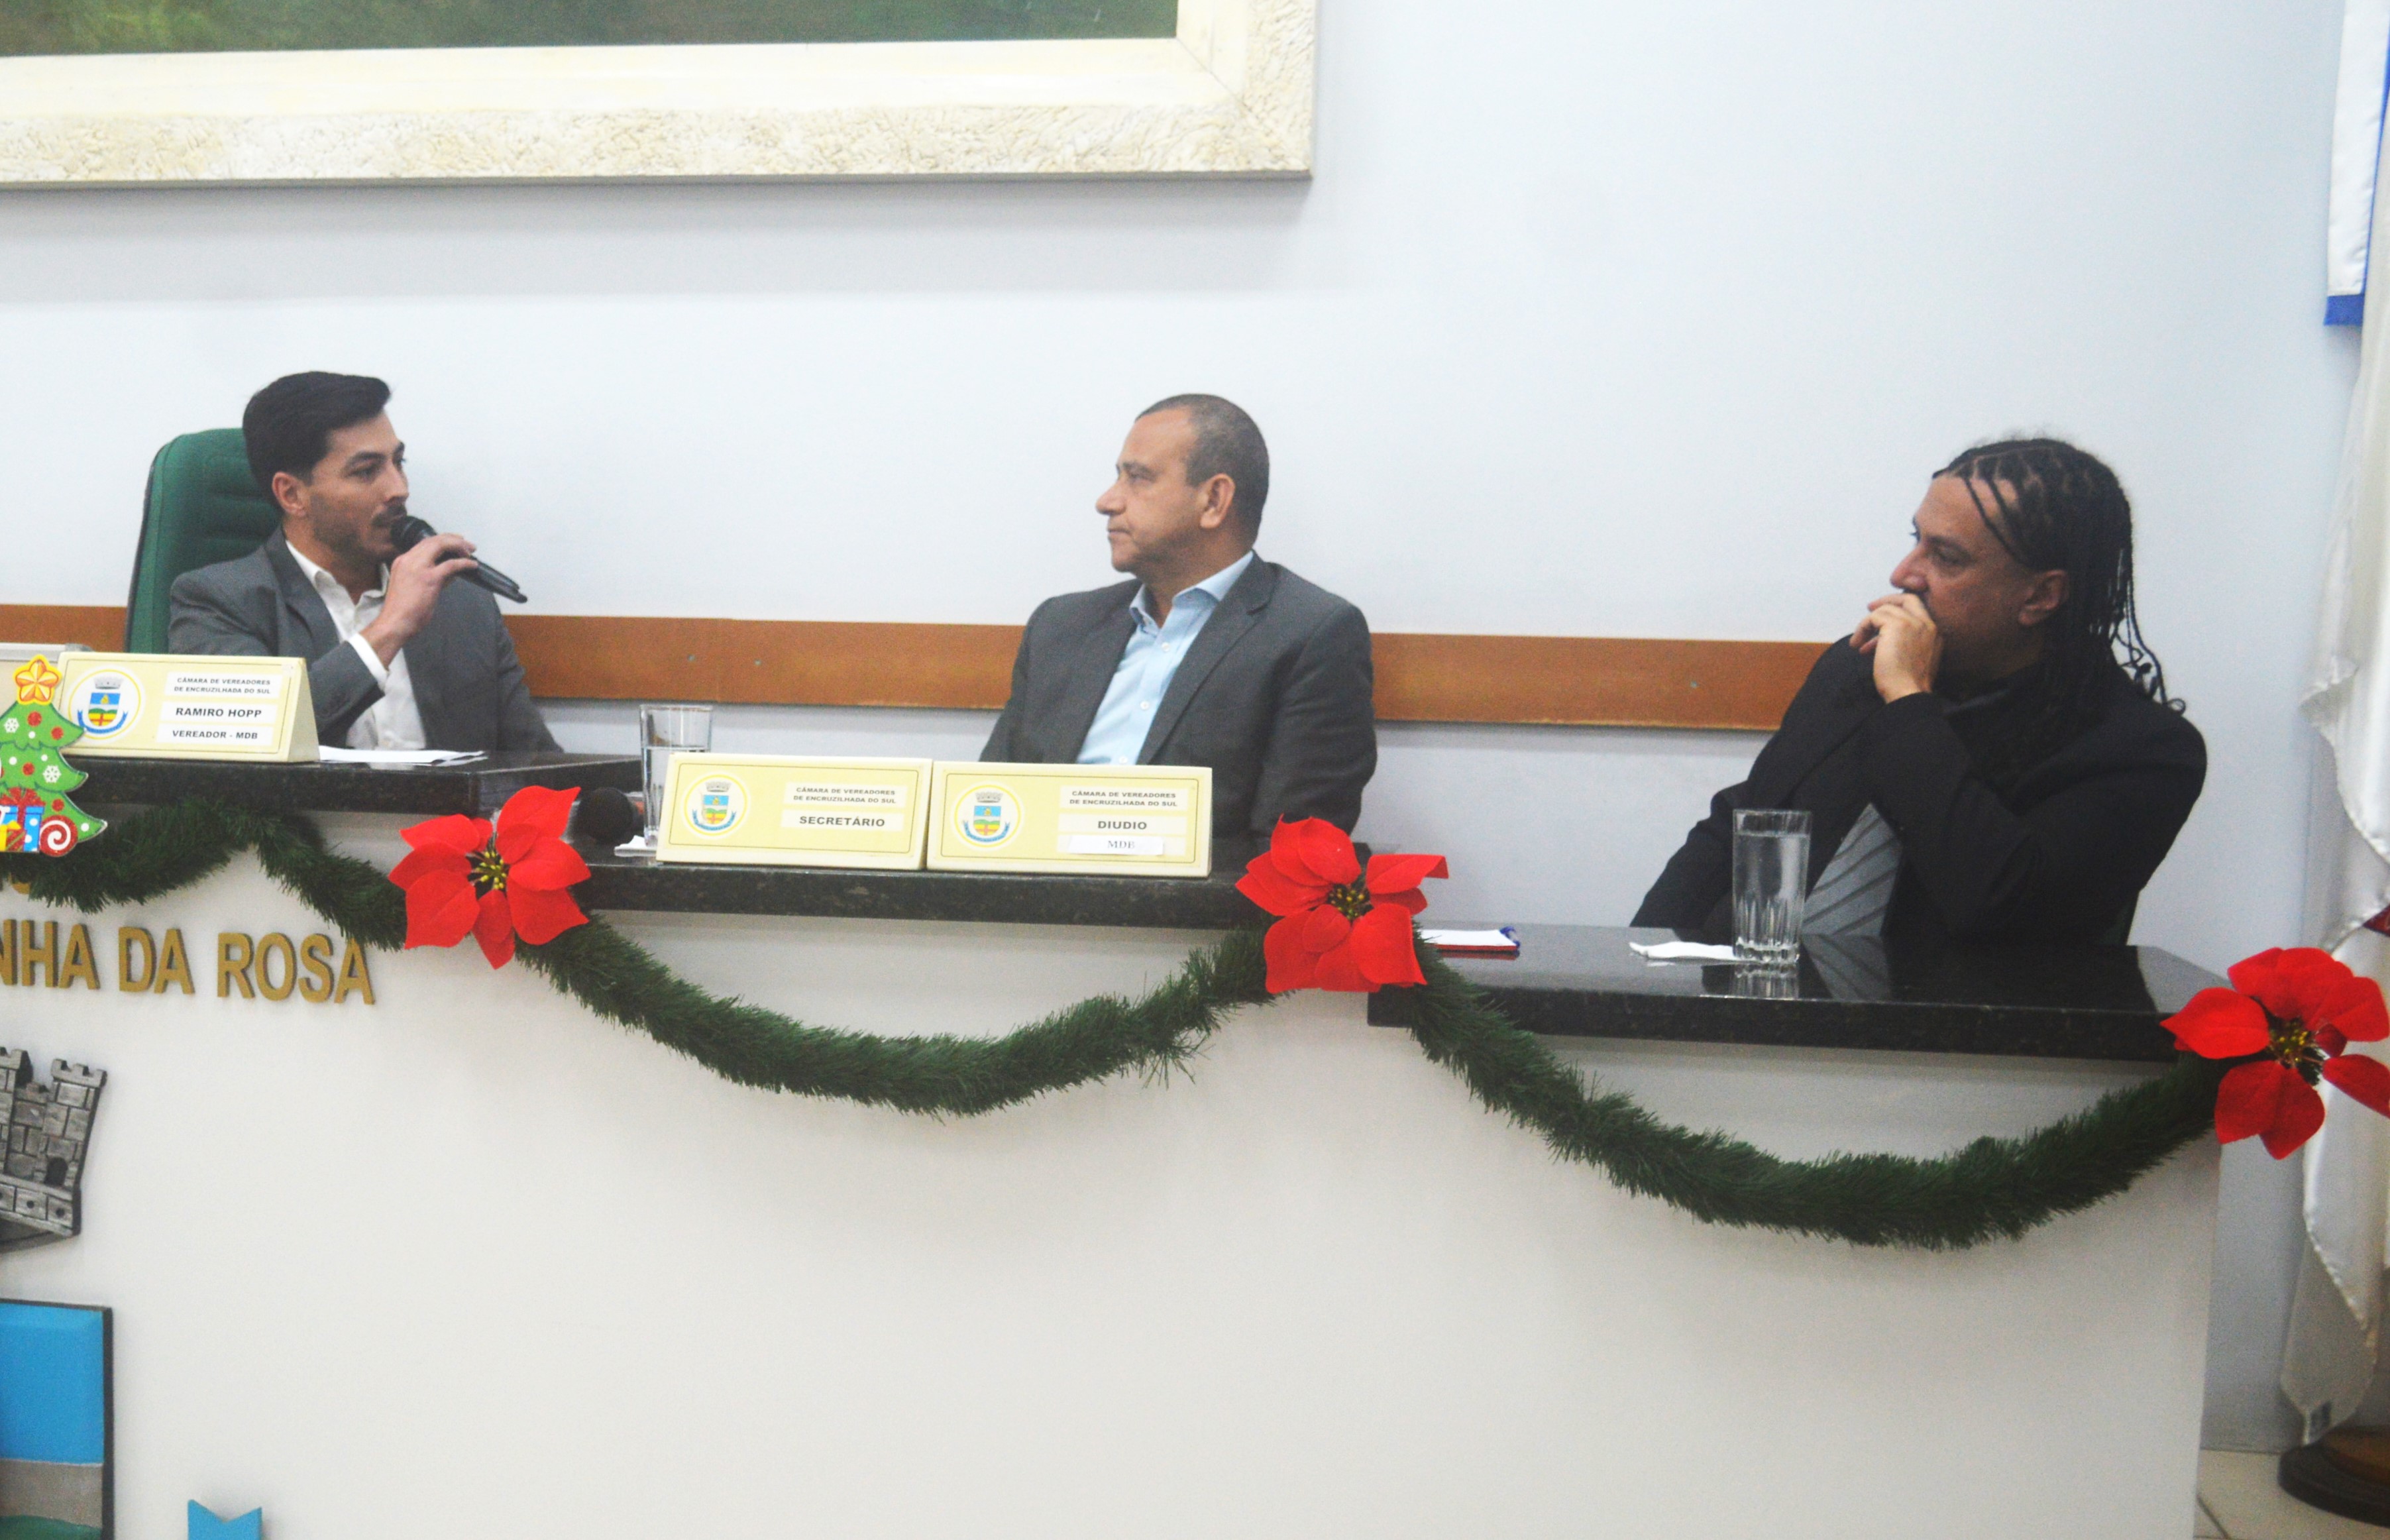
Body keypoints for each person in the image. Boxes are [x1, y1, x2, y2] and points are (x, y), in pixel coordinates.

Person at [1634, 437, 2204, 946]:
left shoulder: (2140, 749)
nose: (1904, 574)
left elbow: (1995, 903)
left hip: (1941, 1026)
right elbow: (1745, 822)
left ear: (2039, 597)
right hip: (1755, 996)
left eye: (1946, 558)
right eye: (1916, 541)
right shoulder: (1855, 668)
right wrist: (1640, 965)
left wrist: (1908, 701)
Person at [981, 394, 1378, 844]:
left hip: (1196, 890)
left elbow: (1289, 850)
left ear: (1213, 500)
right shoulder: (1060, 626)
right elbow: (989, 806)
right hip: (1037, 884)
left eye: (1138, 478)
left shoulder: (1309, 634)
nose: (1107, 501)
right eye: (1118, 476)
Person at [168, 372, 557, 752]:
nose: (399, 489)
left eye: (399, 462)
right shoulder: (218, 603)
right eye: (366, 471)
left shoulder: (462, 603)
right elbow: (257, 733)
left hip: (451, 800)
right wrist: (391, 627)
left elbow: (538, 764)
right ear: (292, 495)